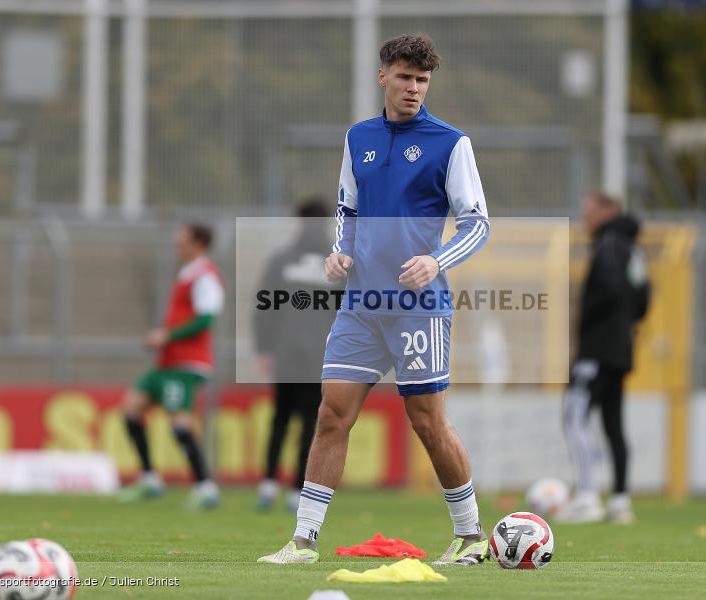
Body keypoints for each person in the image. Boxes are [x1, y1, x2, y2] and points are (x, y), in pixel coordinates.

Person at [258, 34, 491, 565]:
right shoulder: (358, 137)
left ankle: (471, 535)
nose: (414, 89)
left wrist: (437, 261)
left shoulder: (451, 144)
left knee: (427, 421)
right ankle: (303, 542)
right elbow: (348, 208)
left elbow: (478, 224)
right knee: (331, 415)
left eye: (423, 80)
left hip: (418, 306)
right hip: (361, 306)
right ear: (383, 75)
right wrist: (340, 253)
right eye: (406, 77)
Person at [557, 191, 651, 524]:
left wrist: (588, 323)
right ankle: (620, 501)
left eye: (589, 211)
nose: (585, 219)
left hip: (596, 350)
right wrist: (624, 324)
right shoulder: (634, 250)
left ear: (608, 210)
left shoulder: (608, 245)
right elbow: (642, 301)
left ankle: (586, 496)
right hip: (621, 351)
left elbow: (610, 289)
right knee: (613, 424)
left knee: (573, 415)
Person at [119, 223, 225, 510]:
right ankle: (150, 479)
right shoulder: (187, 273)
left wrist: (167, 335)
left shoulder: (205, 276)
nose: (177, 244)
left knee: (180, 424)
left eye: (182, 240)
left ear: (199, 243)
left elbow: (206, 319)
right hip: (168, 361)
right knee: (131, 407)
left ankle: (206, 487)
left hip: (187, 362)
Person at [254, 198, 338, 512]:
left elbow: (264, 306)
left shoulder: (284, 260)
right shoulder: (337, 263)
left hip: (288, 351)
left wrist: (264, 347)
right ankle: (295, 489)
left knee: (281, 418)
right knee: (309, 421)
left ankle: (269, 484)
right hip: (320, 353)